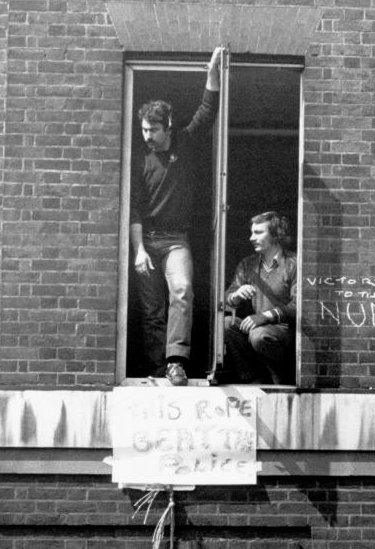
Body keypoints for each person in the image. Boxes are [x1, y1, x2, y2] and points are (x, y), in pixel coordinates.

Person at [131, 46, 225, 385]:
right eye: (143, 130)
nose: (147, 137)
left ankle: (175, 362)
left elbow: (207, 112)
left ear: (167, 126)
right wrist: (138, 249)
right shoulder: (140, 160)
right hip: (148, 239)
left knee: (182, 291)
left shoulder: (184, 144)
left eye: (153, 130)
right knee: (152, 309)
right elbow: (135, 208)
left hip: (175, 241)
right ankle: (154, 368)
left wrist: (212, 76)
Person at [220, 211, 298, 385]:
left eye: (258, 232)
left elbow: (298, 305)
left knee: (259, 335)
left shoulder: (293, 263)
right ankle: (252, 378)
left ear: (276, 234)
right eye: (251, 232)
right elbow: (227, 298)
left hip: (283, 331)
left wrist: (264, 317)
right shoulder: (248, 264)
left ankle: (280, 379)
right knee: (225, 324)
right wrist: (237, 295)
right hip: (257, 327)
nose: (251, 238)